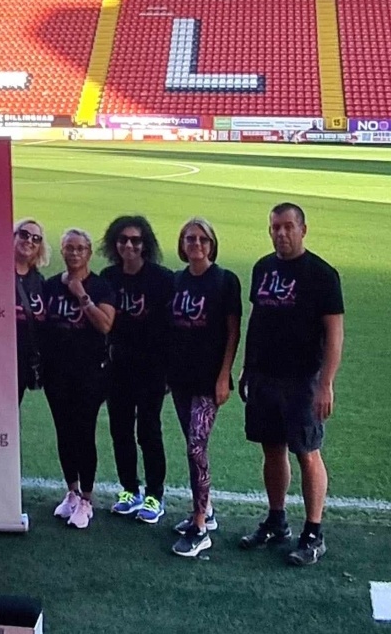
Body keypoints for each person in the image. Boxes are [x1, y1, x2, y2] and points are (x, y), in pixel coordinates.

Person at [239, 203, 344, 566]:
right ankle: (276, 520)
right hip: (264, 376)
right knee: (272, 449)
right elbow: (256, 319)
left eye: (287, 227)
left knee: (307, 452)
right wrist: (246, 368)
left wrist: (325, 383)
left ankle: (313, 533)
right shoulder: (263, 268)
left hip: (302, 379)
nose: (281, 233)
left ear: (303, 229)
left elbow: (334, 333)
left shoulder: (321, 274)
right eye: (274, 227)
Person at [167, 218, 241, 557]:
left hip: (208, 380)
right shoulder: (177, 280)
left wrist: (224, 375)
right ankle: (206, 509)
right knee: (192, 444)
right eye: (189, 238)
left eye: (202, 239)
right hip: (181, 377)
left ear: (211, 244)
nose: (195, 244)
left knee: (196, 449)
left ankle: (199, 525)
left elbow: (232, 332)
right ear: (182, 244)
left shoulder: (225, 281)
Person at [99, 216, 174, 524]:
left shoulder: (162, 278)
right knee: (120, 431)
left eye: (135, 240)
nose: (129, 245)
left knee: (148, 431)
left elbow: (172, 328)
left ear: (146, 245)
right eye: (123, 240)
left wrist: (169, 370)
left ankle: (155, 495)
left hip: (152, 368)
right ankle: (130, 490)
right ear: (114, 244)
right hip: (118, 367)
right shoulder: (108, 277)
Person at [41, 228, 116, 529]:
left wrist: (81, 295)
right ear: (62, 251)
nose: (74, 253)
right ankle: (71, 491)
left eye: (80, 248)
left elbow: (106, 325)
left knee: (84, 433)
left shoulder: (101, 287)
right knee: (63, 432)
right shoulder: (49, 286)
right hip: (56, 372)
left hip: (89, 374)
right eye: (69, 248)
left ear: (89, 252)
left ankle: (87, 497)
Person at [14, 218, 48, 404]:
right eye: (24, 234)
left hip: (24, 362)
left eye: (36, 238)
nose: (29, 241)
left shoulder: (39, 281)